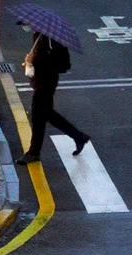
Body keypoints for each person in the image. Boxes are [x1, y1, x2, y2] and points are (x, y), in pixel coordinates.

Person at [16, 27, 89, 165]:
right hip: (39, 81)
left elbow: (65, 65)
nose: (26, 27)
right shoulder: (39, 35)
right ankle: (78, 136)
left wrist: (36, 60)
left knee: (39, 115)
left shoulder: (53, 38)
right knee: (45, 115)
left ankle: (34, 152)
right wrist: (31, 60)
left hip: (47, 82)